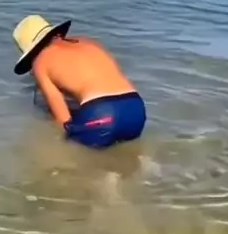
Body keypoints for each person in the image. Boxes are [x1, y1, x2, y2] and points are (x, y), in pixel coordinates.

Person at [12, 14, 146, 149]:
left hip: (103, 114)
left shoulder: (40, 62)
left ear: (31, 53)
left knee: (71, 148)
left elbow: (62, 119)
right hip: (136, 108)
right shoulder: (88, 42)